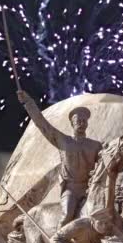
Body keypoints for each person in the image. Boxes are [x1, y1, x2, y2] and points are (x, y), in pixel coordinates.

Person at [18, 90, 102, 229]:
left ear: (87, 123)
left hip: (90, 189)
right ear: (72, 123)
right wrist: (28, 102)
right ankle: (58, 241)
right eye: (77, 120)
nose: (81, 123)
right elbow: (42, 124)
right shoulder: (64, 141)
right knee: (67, 214)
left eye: (84, 120)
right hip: (72, 190)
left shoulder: (95, 145)